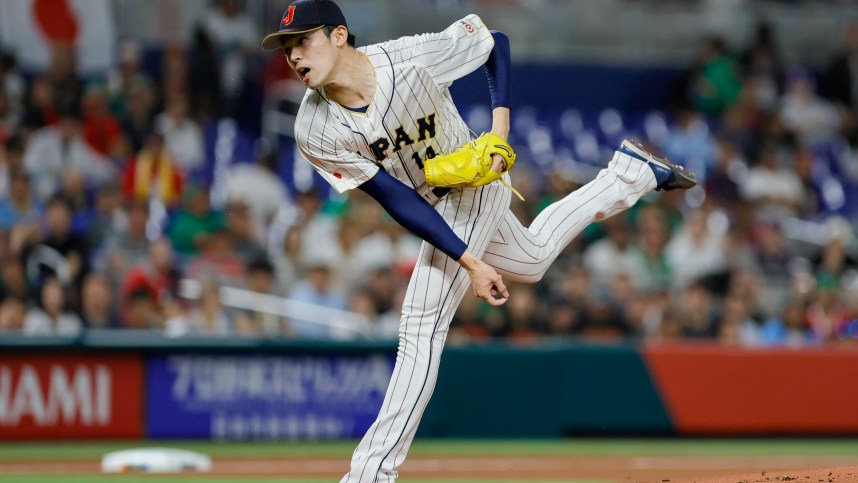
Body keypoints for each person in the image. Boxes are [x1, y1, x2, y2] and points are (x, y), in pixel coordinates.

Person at [259, 1, 695, 481]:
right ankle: (629, 176)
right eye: (286, 48)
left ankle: (371, 474)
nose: (294, 56)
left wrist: (499, 131)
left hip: (472, 181)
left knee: (420, 323)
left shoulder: (410, 58)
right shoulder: (313, 127)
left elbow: (495, 43)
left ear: (339, 35)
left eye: (303, 40)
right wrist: (470, 260)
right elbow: (395, 198)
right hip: (429, 199)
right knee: (530, 259)